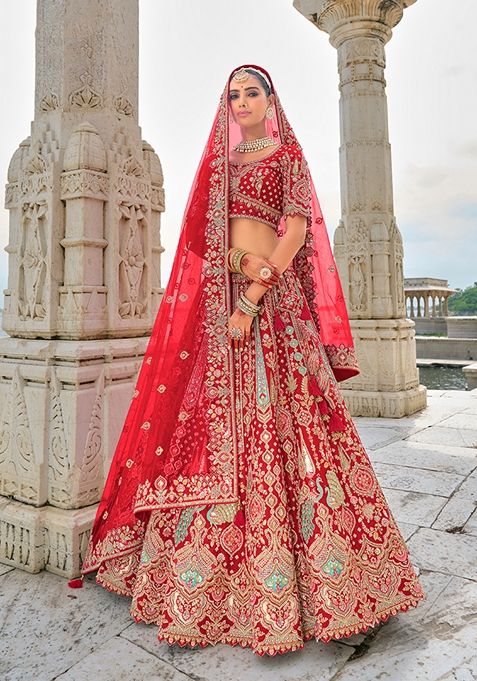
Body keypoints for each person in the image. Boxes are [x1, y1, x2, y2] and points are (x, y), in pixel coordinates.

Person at [69, 64, 424, 656]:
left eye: (251, 92)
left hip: (274, 304)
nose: (240, 102)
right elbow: (202, 242)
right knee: (220, 425)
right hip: (227, 301)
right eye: (233, 94)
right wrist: (238, 274)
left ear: (269, 100)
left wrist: (257, 290)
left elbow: (295, 228)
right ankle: (207, 583)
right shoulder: (221, 166)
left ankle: (335, 579)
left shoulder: (286, 156)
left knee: (298, 424)